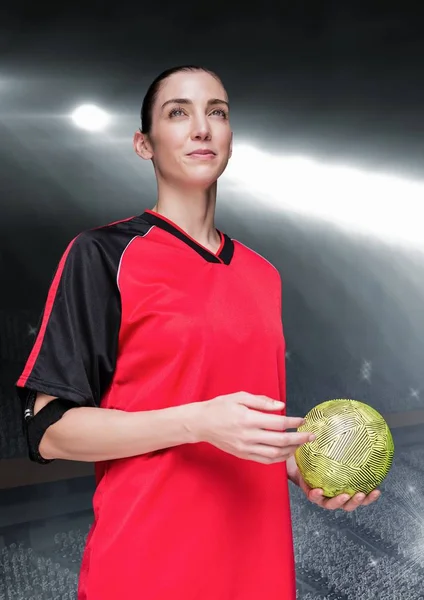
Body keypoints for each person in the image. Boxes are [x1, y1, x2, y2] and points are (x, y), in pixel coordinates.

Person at [16, 65, 381, 600]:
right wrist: (196, 422)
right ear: (145, 144)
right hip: (145, 573)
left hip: (260, 575)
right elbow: (48, 431)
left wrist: (297, 464)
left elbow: (249, 424)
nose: (202, 128)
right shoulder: (104, 256)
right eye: (178, 113)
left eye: (217, 112)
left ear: (231, 138)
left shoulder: (264, 275)